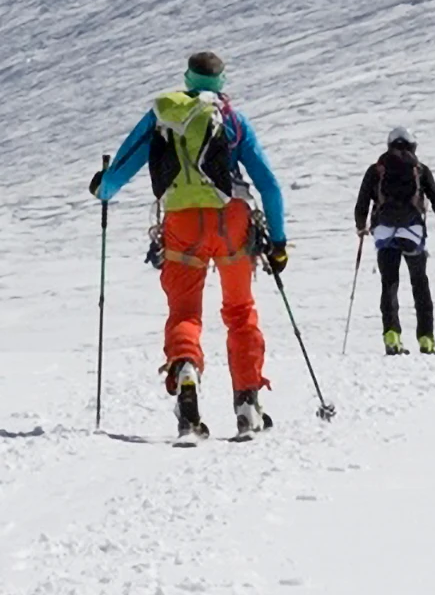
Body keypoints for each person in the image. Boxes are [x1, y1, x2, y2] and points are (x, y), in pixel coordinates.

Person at [88, 51, 286, 440]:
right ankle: (248, 403)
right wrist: (278, 242)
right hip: (232, 221)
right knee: (240, 311)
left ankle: (186, 374)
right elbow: (269, 183)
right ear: (221, 81)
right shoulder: (232, 120)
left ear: (187, 77)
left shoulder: (162, 115)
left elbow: (124, 165)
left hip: (181, 223)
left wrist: (104, 187)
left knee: (185, 312)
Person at [353, 126, 435, 355]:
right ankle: (426, 339)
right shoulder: (420, 169)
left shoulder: (376, 170)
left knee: (389, 282)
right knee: (420, 283)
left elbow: (362, 202)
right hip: (412, 231)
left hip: (384, 231)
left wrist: (361, 226)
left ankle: (392, 336)